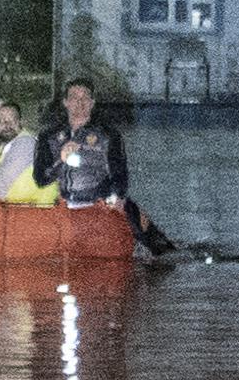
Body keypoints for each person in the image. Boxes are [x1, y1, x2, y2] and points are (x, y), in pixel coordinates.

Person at [35, 78, 175, 253]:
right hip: (64, 204)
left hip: (100, 201)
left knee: (157, 244)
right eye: (74, 97)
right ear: (65, 102)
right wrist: (61, 160)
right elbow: (41, 179)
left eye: (85, 98)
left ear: (92, 103)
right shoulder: (48, 137)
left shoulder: (108, 135)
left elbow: (120, 174)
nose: (80, 103)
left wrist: (117, 196)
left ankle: (163, 252)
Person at [0, 99, 58, 206]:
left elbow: (1, 182)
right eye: (2, 121)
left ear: (20, 122)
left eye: (12, 120)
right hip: (14, 214)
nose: (7, 125)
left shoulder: (26, 143)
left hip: (38, 214)